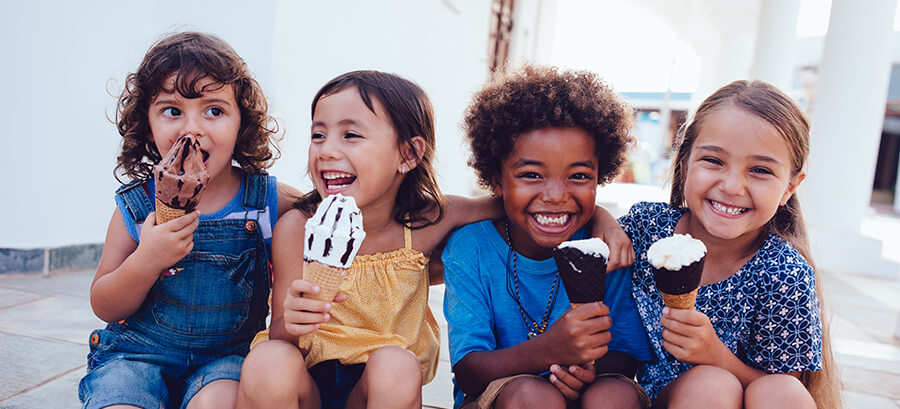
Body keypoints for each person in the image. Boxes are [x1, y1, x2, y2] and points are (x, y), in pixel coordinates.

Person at [235, 70, 634, 409]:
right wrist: (295, 319)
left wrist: (601, 218)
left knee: (396, 363)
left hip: (379, 386)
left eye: (350, 135)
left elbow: (518, 203)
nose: (327, 150)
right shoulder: (298, 227)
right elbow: (283, 336)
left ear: (408, 155)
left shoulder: (428, 222)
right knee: (269, 358)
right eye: (318, 135)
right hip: (306, 383)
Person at [78, 32, 297, 409]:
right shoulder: (137, 206)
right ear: (147, 125)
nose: (191, 128)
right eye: (172, 110)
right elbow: (104, 304)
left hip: (224, 362)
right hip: (136, 356)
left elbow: (329, 209)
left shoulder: (266, 201)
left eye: (214, 110)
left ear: (241, 122)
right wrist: (146, 260)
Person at [442, 65, 654, 409]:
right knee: (533, 397)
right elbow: (469, 372)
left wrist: (582, 369)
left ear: (600, 177)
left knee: (615, 394)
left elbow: (626, 358)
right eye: (531, 174)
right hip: (502, 396)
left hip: (585, 390)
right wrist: (548, 350)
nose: (555, 195)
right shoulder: (471, 249)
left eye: (579, 175)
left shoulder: (608, 250)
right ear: (497, 179)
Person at [619, 80, 840, 409]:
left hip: (737, 396)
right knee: (712, 386)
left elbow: (782, 388)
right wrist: (601, 220)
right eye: (713, 161)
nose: (733, 186)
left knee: (777, 391)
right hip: (650, 399)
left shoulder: (785, 273)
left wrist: (715, 356)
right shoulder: (646, 228)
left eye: (760, 170)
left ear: (790, 187)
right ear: (684, 163)